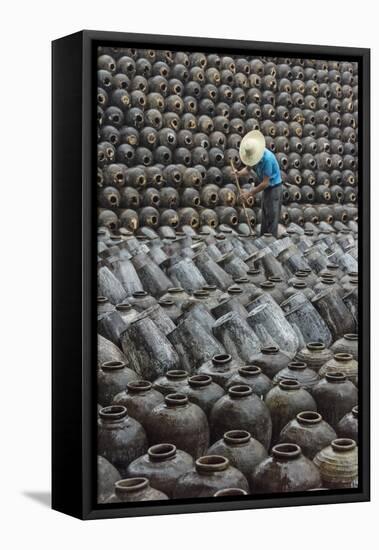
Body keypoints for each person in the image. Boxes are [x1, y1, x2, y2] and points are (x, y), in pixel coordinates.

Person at [235, 130, 283, 238]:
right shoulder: (253, 158)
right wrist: (238, 174)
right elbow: (247, 169)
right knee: (265, 215)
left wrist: (249, 193)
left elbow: (265, 183)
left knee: (272, 217)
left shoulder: (267, 159)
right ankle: (263, 239)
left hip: (274, 189)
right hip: (266, 189)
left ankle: (271, 242)